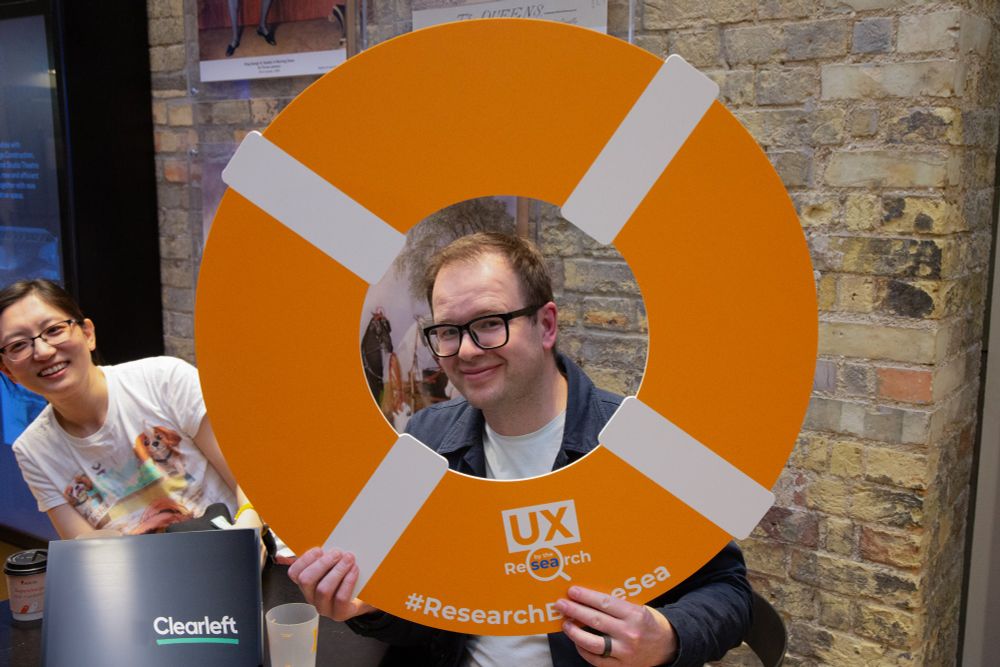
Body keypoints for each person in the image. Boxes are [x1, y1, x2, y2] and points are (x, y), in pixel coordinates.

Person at [289, 233, 752, 666]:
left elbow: (728, 591)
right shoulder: (426, 444)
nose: (466, 351)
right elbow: (420, 614)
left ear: (545, 324)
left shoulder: (638, 446)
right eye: (448, 331)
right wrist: (366, 607)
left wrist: (667, 635)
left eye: (489, 324)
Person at [0, 279, 262, 539]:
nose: (43, 351)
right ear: (7, 370)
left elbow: (248, 479)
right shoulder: (33, 450)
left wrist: (248, 527)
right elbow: (82, 551)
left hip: (239, 554)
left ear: (87, 334)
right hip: (143, 577)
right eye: (18, 345)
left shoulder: (164, 379)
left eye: (54, 330)